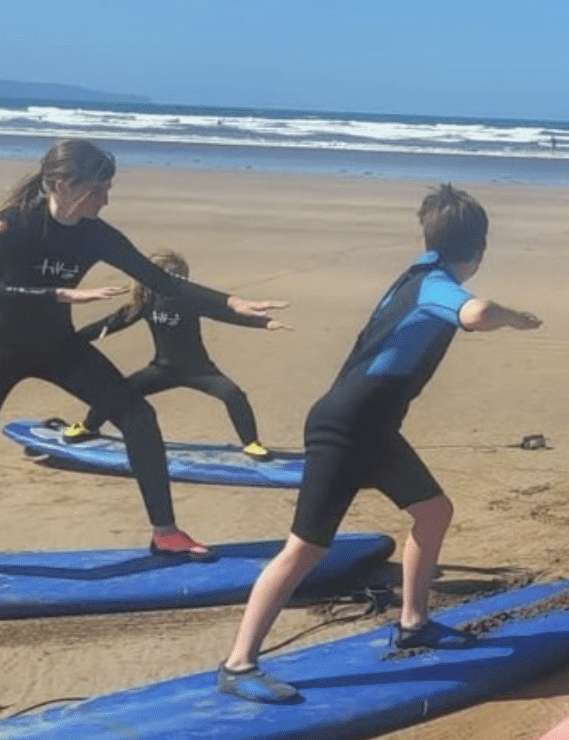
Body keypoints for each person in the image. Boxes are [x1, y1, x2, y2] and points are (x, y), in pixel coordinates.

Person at [216, 184, 540, 702]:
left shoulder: (417, 274)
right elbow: (475, 315)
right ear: (478, 251)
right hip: (346, 427)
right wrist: (515, 317)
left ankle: (413, 622)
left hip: (372, 429)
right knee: (306, 548)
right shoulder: (434, 284)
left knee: (434, 511)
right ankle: (238, 663)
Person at [0, 139, 285, 581]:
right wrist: (54, 294)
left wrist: (230, 304)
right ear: (62, 184)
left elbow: (158, 280)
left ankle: (165, 531)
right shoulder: (13, 225)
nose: (106, 197)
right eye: (99, 188)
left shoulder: (96, 234)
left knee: (137, 414)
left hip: (55, 344)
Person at [64, 248, 289, 459]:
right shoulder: (145, 302)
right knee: (116, 392)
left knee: (233, 395)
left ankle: (251, 443)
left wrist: (263, 323)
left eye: (181, 277)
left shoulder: (188, 299)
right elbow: (111, 323)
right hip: (163, 369)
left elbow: (224, 313)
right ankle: (89, 427)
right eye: (174, 276)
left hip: (199, 370)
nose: (179, 281)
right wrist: (75, 340)